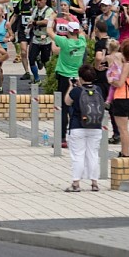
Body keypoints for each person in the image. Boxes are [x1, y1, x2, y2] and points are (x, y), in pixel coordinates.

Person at [47, 20, 88, 148]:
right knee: (76, 108)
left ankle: (62, 138)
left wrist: (51, 20)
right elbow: (82, 32)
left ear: (67, 31)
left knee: (63, 108)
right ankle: (77, 137)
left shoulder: (65, 42)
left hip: (64, 77)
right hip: (77, 78)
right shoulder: (82, 42)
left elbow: (49, 32)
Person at [63, 64, 103, 192]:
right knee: (93, 154)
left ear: (80, 78)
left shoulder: (76, 91)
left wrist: (71, 86)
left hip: (77, 127)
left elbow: (67, 102)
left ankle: (76, 183)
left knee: (78, 155)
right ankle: (94, 183)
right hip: (96, 126)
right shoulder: (98, 90)